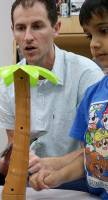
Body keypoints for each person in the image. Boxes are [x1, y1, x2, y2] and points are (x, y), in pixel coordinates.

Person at [0, 0, 104, 188]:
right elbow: (14, 142)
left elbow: (99, 150)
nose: (28, 37)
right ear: (13, 31)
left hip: (74, 174)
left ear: (56, 27)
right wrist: (11, 160)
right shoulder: (9, 81)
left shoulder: (87, 75)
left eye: (37, 26)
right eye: (20, 28)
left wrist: (53, 165)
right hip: (29, 172)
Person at [29, 0, 108, 198]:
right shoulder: (93, 94)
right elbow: (89, 156)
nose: (94, 43)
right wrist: (56, 178)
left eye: (104, 31)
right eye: (90, 35)